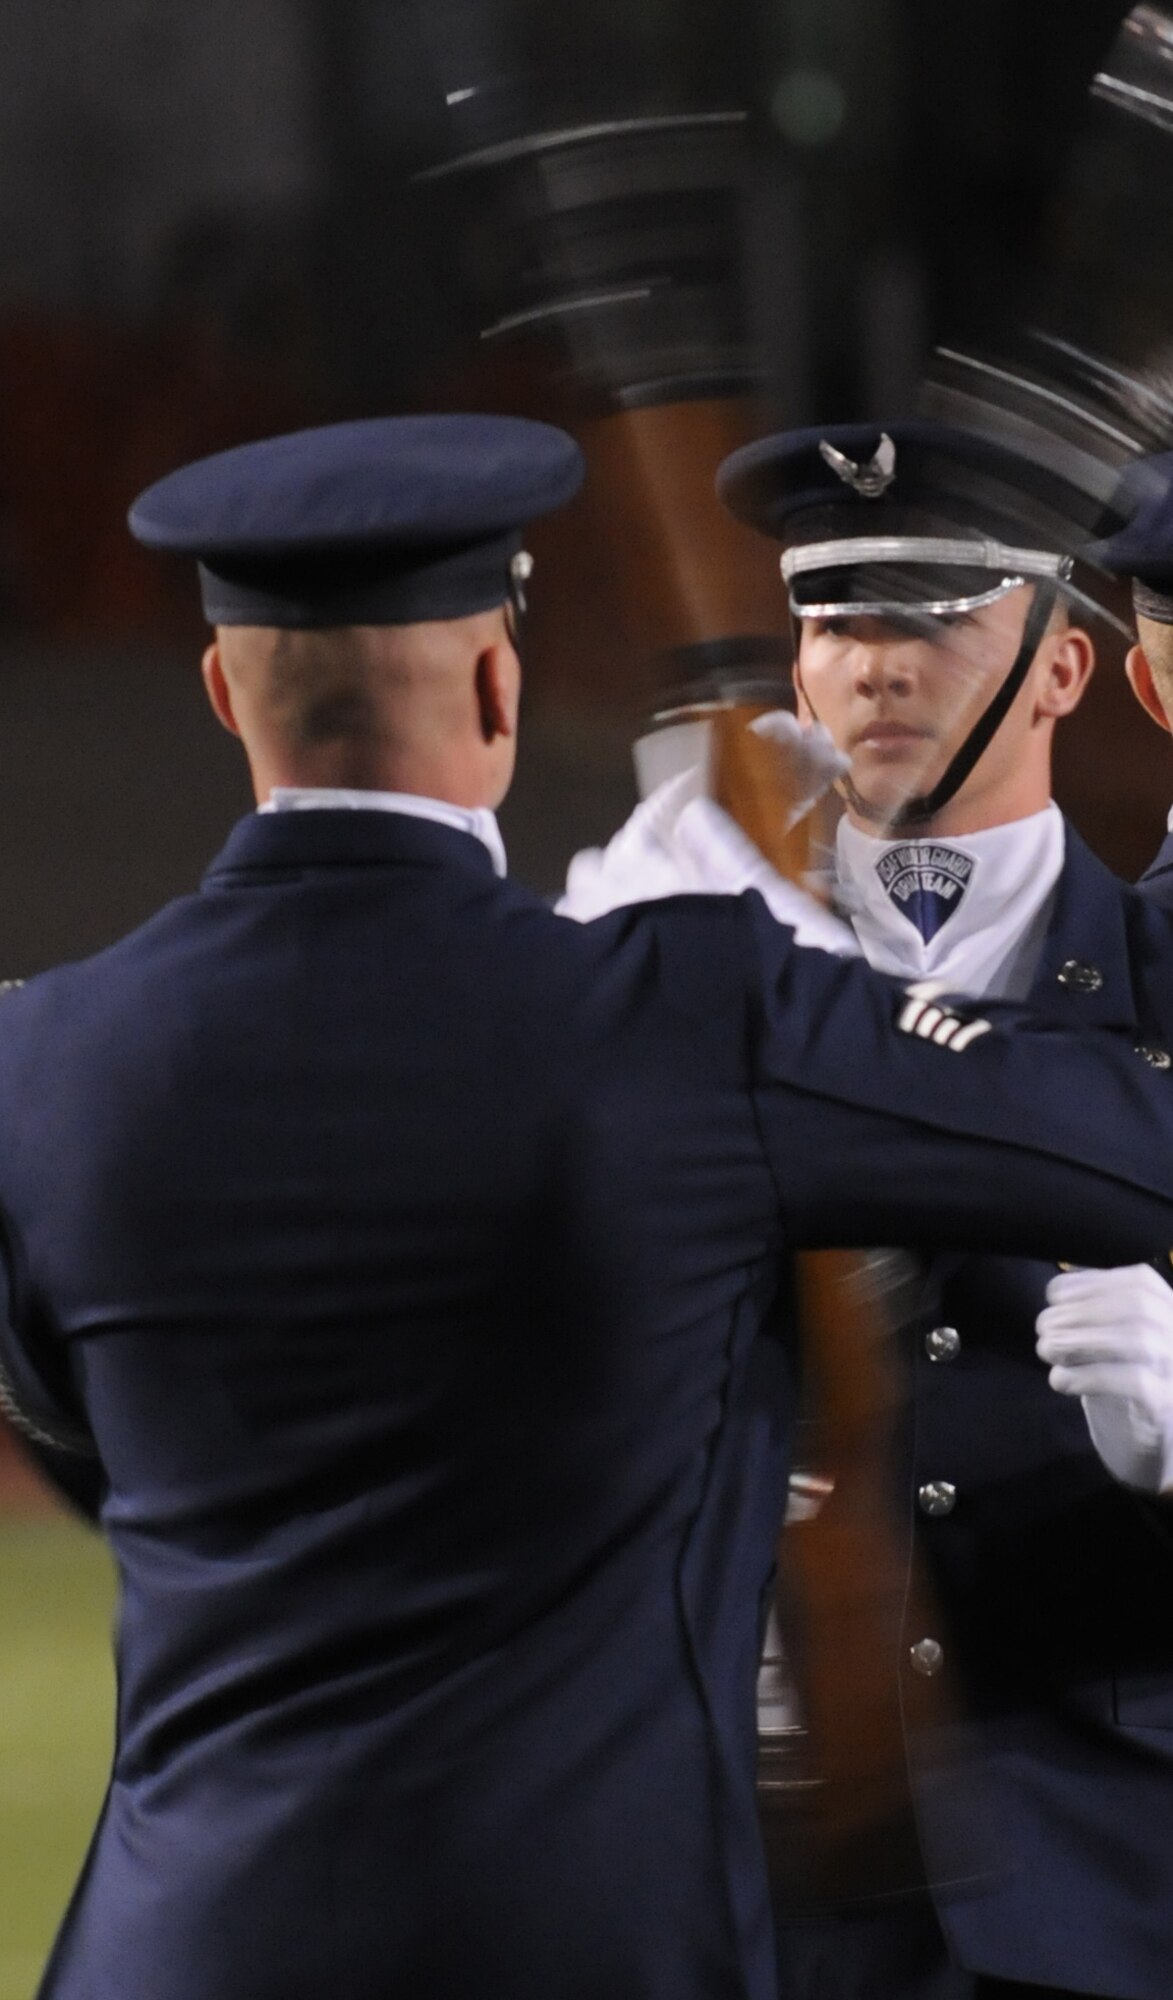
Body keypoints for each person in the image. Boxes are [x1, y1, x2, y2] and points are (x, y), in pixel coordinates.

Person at [5, 418, 1173, 2000]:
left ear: (221, 693)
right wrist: (759, 986)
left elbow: (82, 1441)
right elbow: (1122, 1144)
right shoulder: (676, 1013)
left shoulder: (34, 1060)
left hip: (183, 1943)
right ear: (502, 691)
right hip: (593, 1935)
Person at [565, 420, 1173, 2000]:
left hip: (1107, 1883)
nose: (877, 666)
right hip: (738, 1886)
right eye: (837, 620)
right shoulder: (653, 983)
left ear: (1060, 668)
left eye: (934, 617)